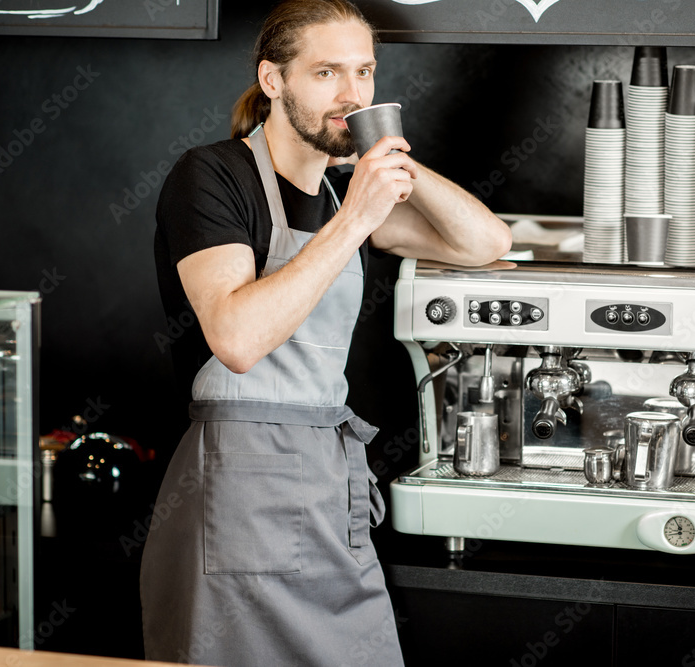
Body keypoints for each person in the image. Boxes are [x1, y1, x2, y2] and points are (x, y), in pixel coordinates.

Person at [140, 1, 512, 665]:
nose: (353, 93)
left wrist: (385, 157)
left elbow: (485, 242)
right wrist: (358, 220)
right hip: (241, 489)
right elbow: (236, 337)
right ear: (274, 80)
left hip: (327, 481)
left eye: (365, 72)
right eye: (327, 73)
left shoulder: (346, 194)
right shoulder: (212, 176)